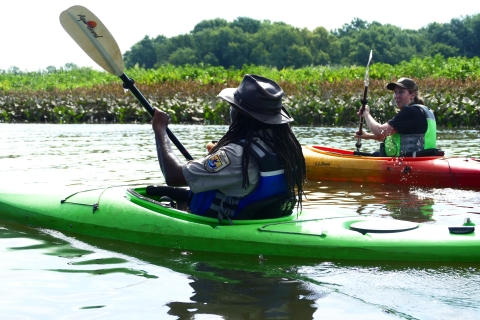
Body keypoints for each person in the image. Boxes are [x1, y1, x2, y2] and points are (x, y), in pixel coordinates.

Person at [151, 74, 306, 222]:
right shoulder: (287, 146)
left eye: (233, 106)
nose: (231, 110)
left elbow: (172, 176)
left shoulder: (235, 155)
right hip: (264, 218)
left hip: (224, 224)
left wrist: (160, 129)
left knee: (165, 200)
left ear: (241, 114)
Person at [354, 77, 437, 156]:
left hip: (409, 163)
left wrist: (366, 113)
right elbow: (398, 140)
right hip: (421, 158)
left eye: (401, 92)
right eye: (395, 92)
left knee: (374, 155)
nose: (397, 96)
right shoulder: (420, 111)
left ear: (412, 95)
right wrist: (368, 136)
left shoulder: (410, 112)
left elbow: (379, 132)